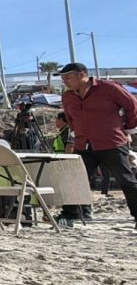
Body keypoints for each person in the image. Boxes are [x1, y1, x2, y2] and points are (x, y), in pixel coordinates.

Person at [58, 63, 137, 230]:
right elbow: (70, 117)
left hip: (111, 142)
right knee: (76, 180)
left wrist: (128, 128)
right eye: (63, 78)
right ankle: (70, 214)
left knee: (126, 180)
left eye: (68, 77)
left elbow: (132, 105)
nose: (65, 81)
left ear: (81, 75)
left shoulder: (109, 88)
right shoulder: (68, 97)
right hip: (83, 144)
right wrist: (77, 132)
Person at [53, 111, 92, 225]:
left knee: (73, 187)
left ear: (62, 119)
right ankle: (82, 211)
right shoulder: (66, 130)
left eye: (57, 119)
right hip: (66, 162)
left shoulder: (69, 131)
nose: (55, 121)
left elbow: (70, 146)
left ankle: (80, 212)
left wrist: (67, 162)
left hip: (68, 163)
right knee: (79, 186)